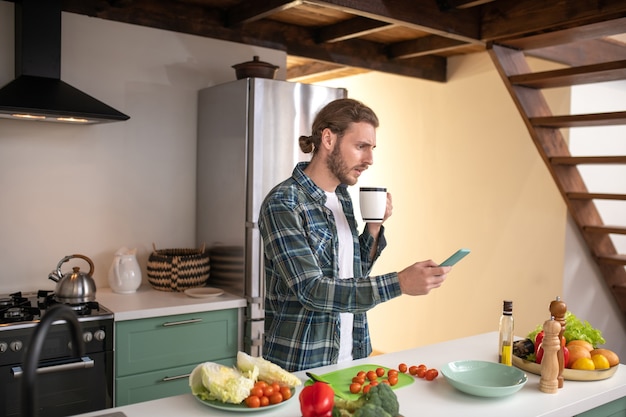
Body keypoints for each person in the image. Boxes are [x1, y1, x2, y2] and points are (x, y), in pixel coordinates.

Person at [258, 98, 451, 372]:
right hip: (302, 367)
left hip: (353, 358)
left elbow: (352, 274)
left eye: (372, 149)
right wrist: (399, 283)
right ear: (328, 139)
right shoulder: (284, 203)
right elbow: (312, 290)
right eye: (361, 146)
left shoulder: (342, 198)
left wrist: (373, 228)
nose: (369, 160)